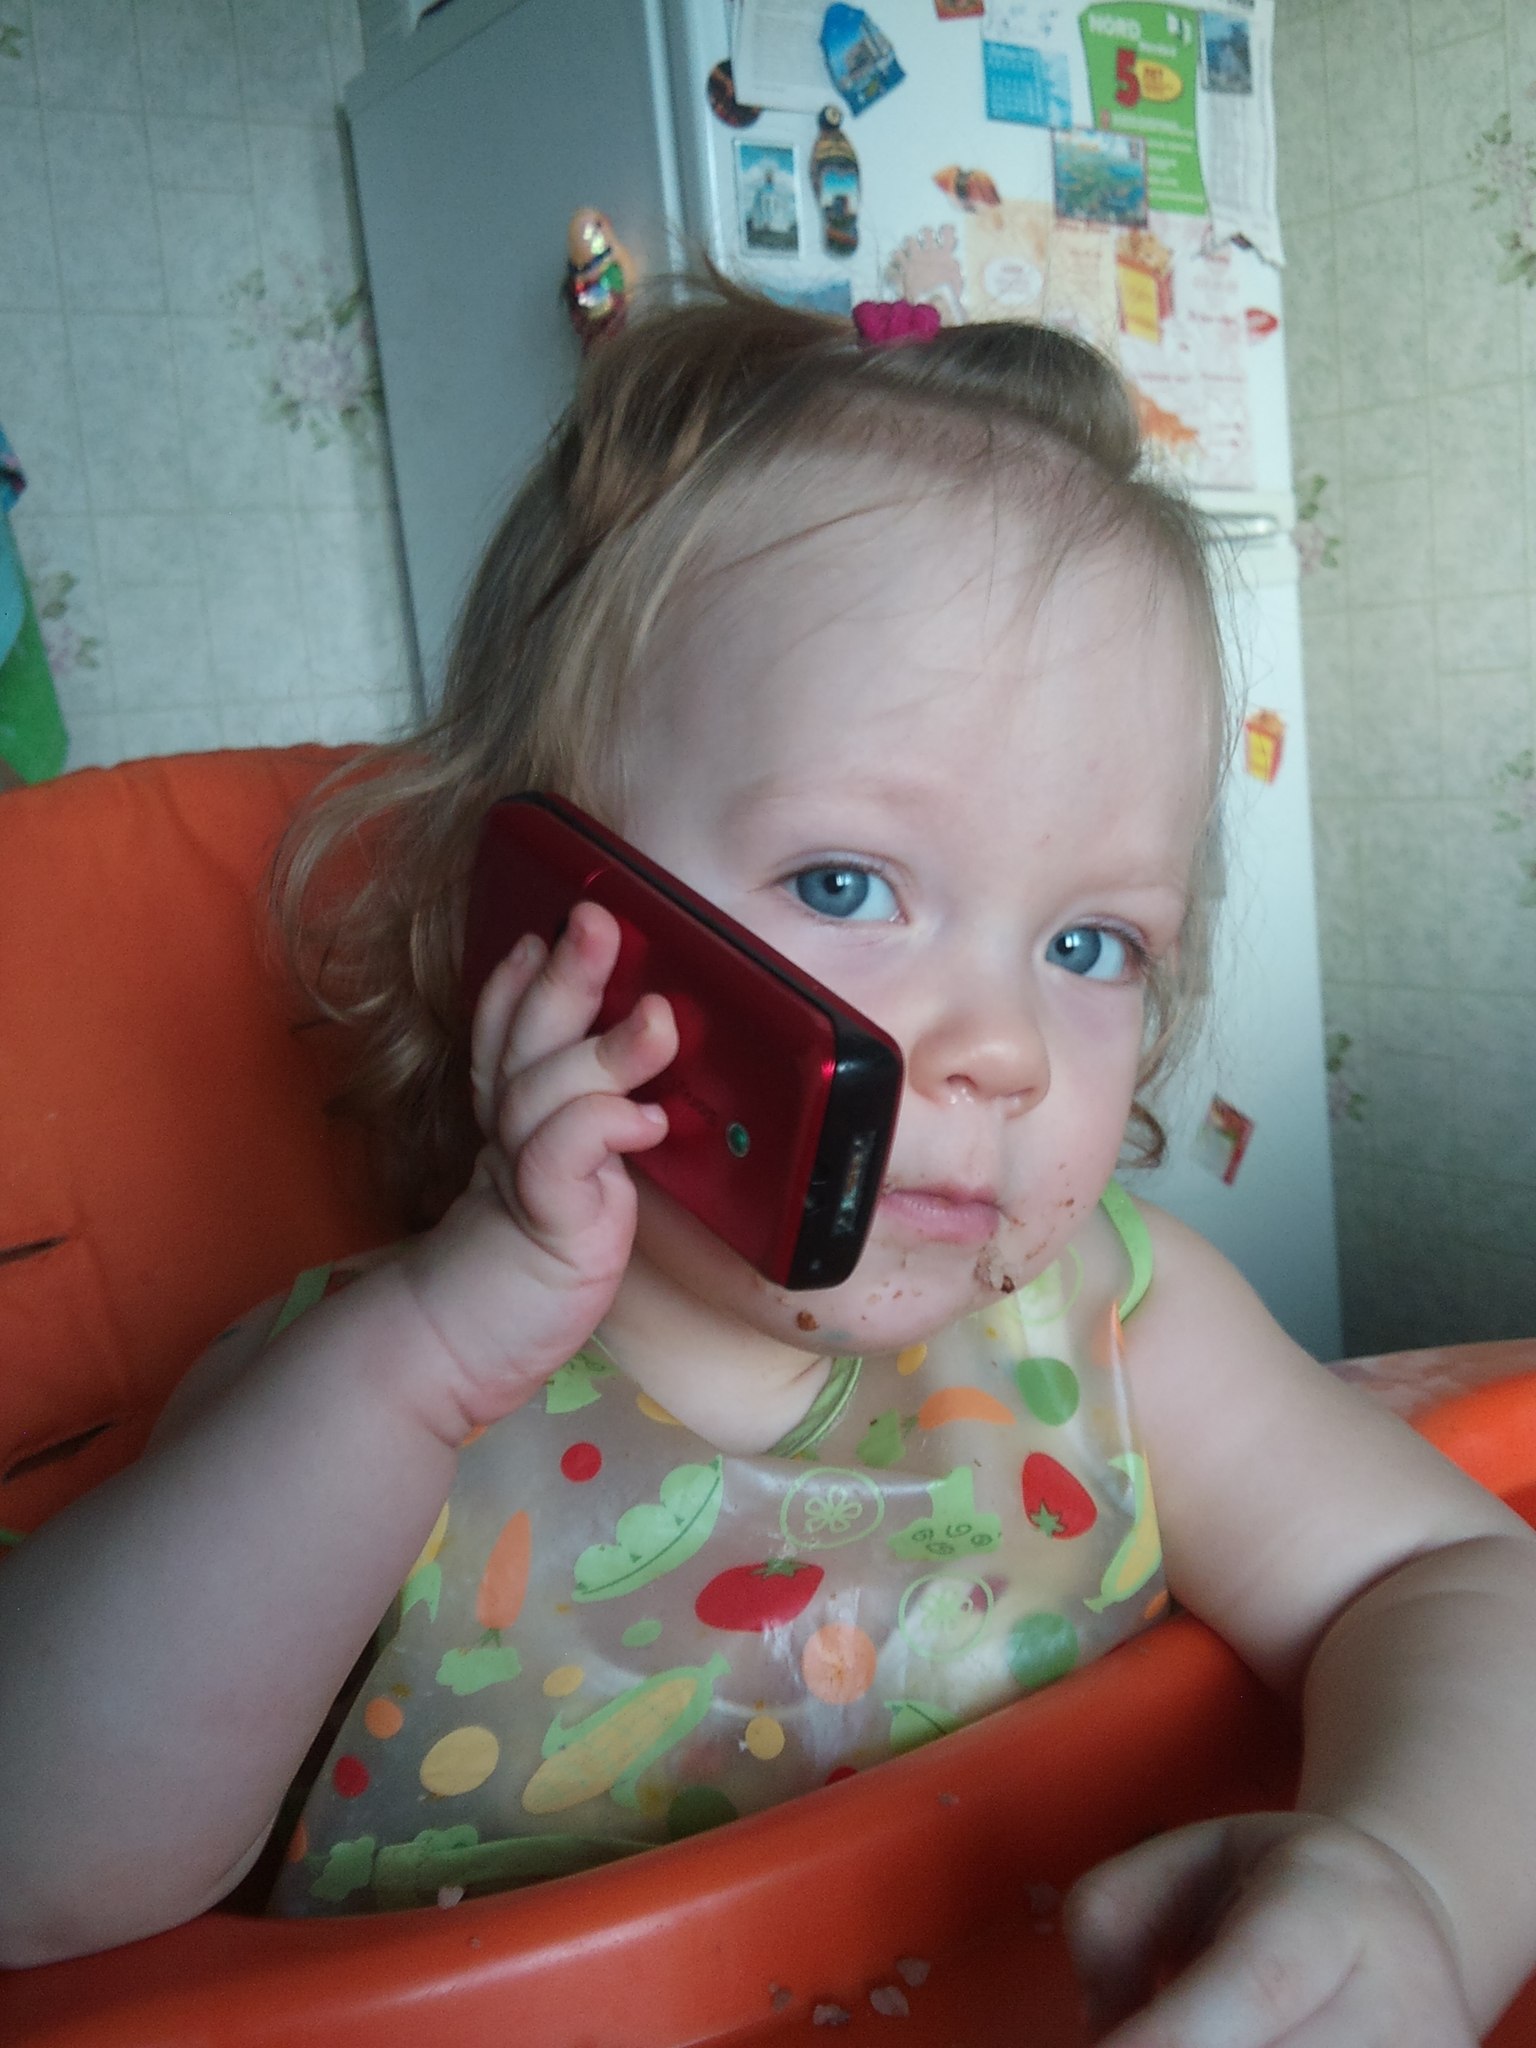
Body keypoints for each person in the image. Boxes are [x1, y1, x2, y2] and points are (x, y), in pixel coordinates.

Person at [3, 278, 1535, 2046]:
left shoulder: (1116, 1324)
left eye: (1090, 944)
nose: (1006, 1047)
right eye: (846, 884)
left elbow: (1453, 1583)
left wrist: (1416, 1889)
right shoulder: (362, 1401)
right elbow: (40, 1870)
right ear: (538, 912)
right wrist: (421, 1360)